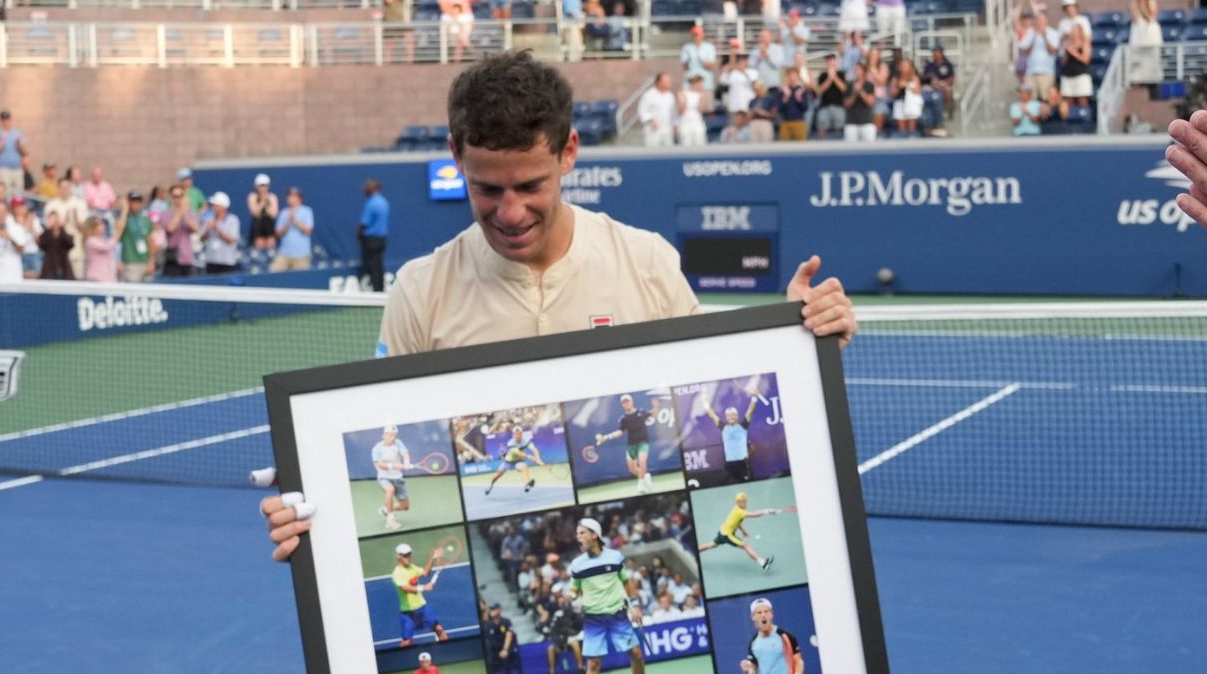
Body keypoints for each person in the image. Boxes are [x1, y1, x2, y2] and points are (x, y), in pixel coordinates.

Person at [260, 52, 857, 562]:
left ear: (569, 152)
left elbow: (712, 406)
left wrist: (792, 337)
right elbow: (392, 453)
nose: (510, 212)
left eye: (530, 186)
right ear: (455, 157)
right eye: (488, 189)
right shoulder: (420, 290)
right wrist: (318, 504)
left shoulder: (646, 261)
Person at [566, 518, 661, 674]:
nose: (578, 537)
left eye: (582, 533)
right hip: (593, 618)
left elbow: (627, 583)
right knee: (593, 664)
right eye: (577, 533)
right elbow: (574, 589)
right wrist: (571, 596)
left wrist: (635, 606)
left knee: (636, 654)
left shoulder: (615, 557)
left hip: (618, 614)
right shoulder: (576, 565)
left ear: (594, 535)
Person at [739, 597, 804, 674]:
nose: (763, 615)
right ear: (753, 617)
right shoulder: (753, 643)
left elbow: (798, 661)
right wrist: (747, 671)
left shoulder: (785, 636)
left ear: (771, 615)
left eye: (766, 611)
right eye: (759, 612)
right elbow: (752, 672)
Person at [594, 394, 659, 495]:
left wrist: (656, 407)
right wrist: (606, 437)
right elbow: (620, 432)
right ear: (622, 405)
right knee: (632, 469)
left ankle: (640, 485)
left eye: (627, 401)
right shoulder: (624, 419)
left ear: (632, 402)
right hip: (631, 445)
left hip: (643, 442)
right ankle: (645, 476)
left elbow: (653, 415)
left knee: (642, 461)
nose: (626, 403)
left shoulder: (641, 412)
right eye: (624, 402)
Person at [697, 491, 777, 571]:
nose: (744, 503)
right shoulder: (739, 511)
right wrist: (766, 511)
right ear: (737, 502)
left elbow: (737, 522)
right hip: (727, 535)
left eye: (745, 501)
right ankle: (763, 563)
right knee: (746, 545)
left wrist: (743, 531)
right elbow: (753, 514)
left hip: (722, 531)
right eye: (742, 501)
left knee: (711, 545)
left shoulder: (738, 508)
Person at [393, 544, 450, 648]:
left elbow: (425, 572)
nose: (408, 557)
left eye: (409, 554)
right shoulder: (397, 573)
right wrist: (423, 588)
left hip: (423, 608)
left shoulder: (412, 567)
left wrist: (432, 559)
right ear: (398, 557)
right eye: (405, 555)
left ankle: (448, 650)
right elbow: (404, 588)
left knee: (439, 629)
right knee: (406, 642)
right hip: (408, 613)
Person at [702, 391, 759, 483]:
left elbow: (750, 410)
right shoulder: (723, 427)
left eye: (733, 415)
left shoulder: (743, 425)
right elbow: (711, 415)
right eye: (728, 415)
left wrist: (754, 397)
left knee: (748, 485)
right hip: (729, 464)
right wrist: (704, 401)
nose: (730, 417)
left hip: (743, 463)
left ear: (737, 416)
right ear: (726, 418)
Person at [44, 177, 89, 279]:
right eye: (62, 188)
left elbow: (84, 229)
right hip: (58, 252)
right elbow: (48, 228)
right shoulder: (51, 205)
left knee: (77, 278)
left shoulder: (79, 204)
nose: (64, 190)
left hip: (76, 249)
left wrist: (75, 217)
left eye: (67, 187)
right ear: (58, 188)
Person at [484, 425, 544, 495]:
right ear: (513, 435)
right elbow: (518, 453)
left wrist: (538, 459)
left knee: (524, 467)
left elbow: (534, 449)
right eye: (516, 434)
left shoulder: (526, 440)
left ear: (521, 434)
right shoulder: (511, 442)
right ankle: (490, 486)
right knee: (496, 476)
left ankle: (526, 485)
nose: (517, 435)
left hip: (518, 462)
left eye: (519, 433)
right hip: (508, 462)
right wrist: (530, 457)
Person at [373, 425, 412, 531]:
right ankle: (390, 518)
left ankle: (386, 510)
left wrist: (407, 462)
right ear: (384, 435)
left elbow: (405, 453)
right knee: (390, 489)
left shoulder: (398, 443)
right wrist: (394, 465)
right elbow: (380, 464)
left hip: (398, 478)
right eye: (390, 435)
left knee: (405, 506)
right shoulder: (377, 448)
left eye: (395, 435)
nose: (393, 437)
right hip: (384, 477)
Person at [542, 591, 585, 674]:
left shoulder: (573, 611)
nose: (561, 601)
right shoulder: (557, 614)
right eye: (559, 600)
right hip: (561, 638)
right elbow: (553, 627)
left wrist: (572, 633)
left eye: (563, 600)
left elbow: (577, 625)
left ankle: (581, 668)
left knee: (574, 643)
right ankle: (552, 673)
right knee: (550, 649)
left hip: (573, 636)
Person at [1019, 11, 1060, 101]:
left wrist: (1045, 36)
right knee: (1031, 101)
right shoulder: (1029, 33)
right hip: (1031, 73)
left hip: (1046, 73)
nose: (1039, 22)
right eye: (1037, 19)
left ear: (1046, 20)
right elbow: (1026, 52)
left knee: (1046, 100)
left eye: (1041, 19)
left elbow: (1052, 51)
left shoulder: (1053, 33)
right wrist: (1034, 38)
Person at [358, 179, 391, 291]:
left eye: (366, 187)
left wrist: (358, 234)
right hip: (382, 239)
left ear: (373, 188)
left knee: (372, 266)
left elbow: (364, 223)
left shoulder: (371, 203)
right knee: (378, 265)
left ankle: (375, 290)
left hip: (371, 240)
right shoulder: (384, 202)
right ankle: (380, 289)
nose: (364, 190)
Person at [483, 602, 524, 674]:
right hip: (493, 649)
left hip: (505, 647)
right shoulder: (488, 625)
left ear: (499, 610)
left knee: (506, 657)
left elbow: (509, 635)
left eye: (494, 609)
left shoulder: (506, 621)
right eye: (491, 610)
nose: (492, 611)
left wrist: (505, 649)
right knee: (489, 660)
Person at [117, 190, 156, 282]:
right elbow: (118, 229)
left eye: (138, 202)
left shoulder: (145, 219)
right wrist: (124, 209)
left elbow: (149, 240)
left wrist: (151, 261)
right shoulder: (125, 218)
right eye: (132, 202)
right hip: (130, 262)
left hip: (144, 261)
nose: (135, 205)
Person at [272, 187, 314, 272]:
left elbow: (309, 230)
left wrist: (295, 221)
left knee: (301, 280)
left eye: (293, 196)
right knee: (273, 273)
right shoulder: (283, 212)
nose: (290, 198)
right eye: (288, 196)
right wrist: (288, 223)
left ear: (299, 198)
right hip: (284, 254)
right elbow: (278, 233)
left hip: (301, 255)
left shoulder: (307, 211)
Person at [0, 110, 28, 197]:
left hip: (17, 167)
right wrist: (2, 139)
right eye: (3, 120)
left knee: (18, 192)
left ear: (10, 120)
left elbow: (24, 152)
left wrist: (18, 144)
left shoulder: (17, 133)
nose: (6, 122)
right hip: (3, 168)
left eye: (7, 119)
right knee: (6, 191)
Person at [201, 191, 241, 275]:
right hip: (211, 260)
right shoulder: (209, 219)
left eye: (216, 205)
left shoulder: (233, 220)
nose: (213, 207)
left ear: (222, 207)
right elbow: (202, 239)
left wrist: (218, 228)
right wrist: (207, 230)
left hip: (226, 262)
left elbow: (231, 240)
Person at [1128, 0, 1163, 84]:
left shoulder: (1153, 26)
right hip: (1139, 62)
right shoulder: (1137, 24)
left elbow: (1151, 14)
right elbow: (1135, 15)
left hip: (1152, 67)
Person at [638, 72, 677, 147]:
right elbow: (642, 111)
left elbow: (673, 112)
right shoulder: (648, 95)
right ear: (659, 82)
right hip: (653, 129)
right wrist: (651, 119)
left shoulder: (670, 95)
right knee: (652, 152)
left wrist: (674, 125)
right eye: (666, 81)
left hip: (667, 128)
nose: (669, 83)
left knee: (669, 152)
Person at [814, 53, 848, 139]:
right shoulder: (822, 76)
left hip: (839, 106)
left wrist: (835, 78)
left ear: (836, 62)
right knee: (821, 128)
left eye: (832, 61)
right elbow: (819, 91)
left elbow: (844, 89)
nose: (830, 63)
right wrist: (829, 79)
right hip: (825, 106)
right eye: (828, 61)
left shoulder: (841, 74)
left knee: (839, 128)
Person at [1059, 25, 1093, 108]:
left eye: (1075, 31)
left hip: (1080, 75)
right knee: (1069, 100)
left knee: (1082, 100)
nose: (1073, 33)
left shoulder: (1084, 44)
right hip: (1068, 75)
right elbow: (1063, 62)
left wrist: (1074, 53)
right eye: (1072, 31)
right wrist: (1066, 50)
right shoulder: (1068, 44)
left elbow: (1086, 59)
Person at [844, 59, 877, 141]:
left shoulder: (869, 85)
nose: (856, 72)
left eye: (858, 69)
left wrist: (861, 92)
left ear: (863, 71)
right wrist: (855, 93)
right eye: (855, 70)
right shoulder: (849, 85)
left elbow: (870, 103)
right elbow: (847, 104)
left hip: (867, 122)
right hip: (851, 122)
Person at [38, 210, 75, 280]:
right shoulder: (46, 234)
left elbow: (70, 244)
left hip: (64, 267)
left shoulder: (65, 234)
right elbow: (42, 244)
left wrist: (61, 229)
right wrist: (48, 229)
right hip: (49, 267)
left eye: (56, 218)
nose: (55, 221)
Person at [892, 57, 924, 136]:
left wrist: (907, 85)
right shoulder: (896, 78)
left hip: (911, 104)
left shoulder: (915, 77)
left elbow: (918, 91)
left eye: (906, 65)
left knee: (911, 130)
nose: (904, 68)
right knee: (902, 131)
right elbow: (892, 93)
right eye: (902, 65)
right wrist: (899, 87)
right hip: (900, 103)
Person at [82, 216, 119, 283]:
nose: (103, 226)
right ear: (93, 227)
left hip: (106, 278)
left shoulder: (101, 240)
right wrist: (118, 231)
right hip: (96, 278)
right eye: (100, 224)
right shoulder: (91, 241)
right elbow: (107, 247)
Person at [680, 25, 717, 91]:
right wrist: (689, 59)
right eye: (694, 34)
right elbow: (684, 67)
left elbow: (710, 66)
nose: (696, 37)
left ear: (703, 35)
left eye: (698, 34)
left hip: (705, 83)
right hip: (691, 82)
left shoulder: (709, 47)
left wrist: (700, 57)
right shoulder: (686, 47)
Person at [246, 173, 278, 250]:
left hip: (269, 225)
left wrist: (267, 204)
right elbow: (255, 213)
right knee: (259, 245)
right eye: (260, 186)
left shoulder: (272, 197)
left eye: (264, 186)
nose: (262, 188)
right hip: (258, 225)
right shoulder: (252, 197)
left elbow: (274, 214)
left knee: (271, 244)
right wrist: (262, 202)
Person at [777, 69, 811, 142]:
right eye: (790, 76)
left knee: (800, 148)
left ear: (797, 77)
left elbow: (805, 107)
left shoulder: (802, 91)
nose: (792, 78)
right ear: (787, 77)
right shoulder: (783, 91)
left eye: (794, 76)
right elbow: (779, 108)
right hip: (785, 122)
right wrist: (785, 98)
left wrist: (799, 98)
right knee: (784, 149)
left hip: (799, 122)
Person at [922, 46, 956, 118]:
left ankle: (946, 110)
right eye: (934, 53)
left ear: (942, 53)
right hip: (932, 86)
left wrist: (946, 83)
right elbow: (924, 77)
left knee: (948, 90)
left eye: (937, 52)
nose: (935, 54)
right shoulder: (929, 65)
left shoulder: (947, 64)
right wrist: (932, 81)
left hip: (944, 85)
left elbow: (952, 77)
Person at [676, 76, 709, 146]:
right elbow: (681, 110)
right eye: (699, 84)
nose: (701, 86)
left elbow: (701, 110)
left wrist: (701, 100)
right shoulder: (682, 93)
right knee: (686, 141)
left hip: (697, 120)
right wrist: (683, 101)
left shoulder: (701, 94)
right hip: (685, 121)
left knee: (699, 140)